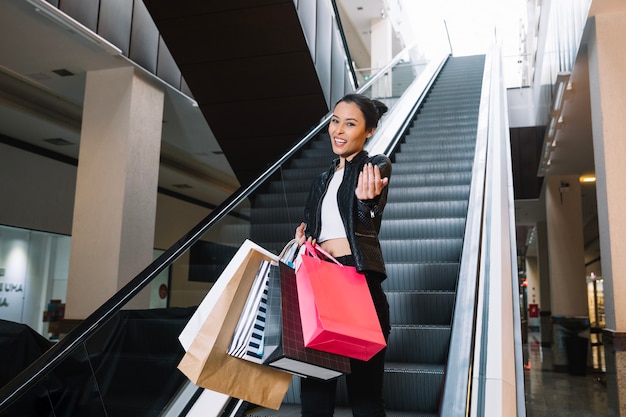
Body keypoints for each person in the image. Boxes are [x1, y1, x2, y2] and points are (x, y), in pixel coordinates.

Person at [295, 93, 391, 417]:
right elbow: (314, 228)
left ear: (369, 131)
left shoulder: (375, 166)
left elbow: (368, 214)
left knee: (365, 399)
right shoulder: (321, 180)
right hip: (321, 287)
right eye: (336, 121)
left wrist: (367, 203)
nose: (339, 129)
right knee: (315, 397)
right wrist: (305, 238)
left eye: (350, 124)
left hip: (357, 284)